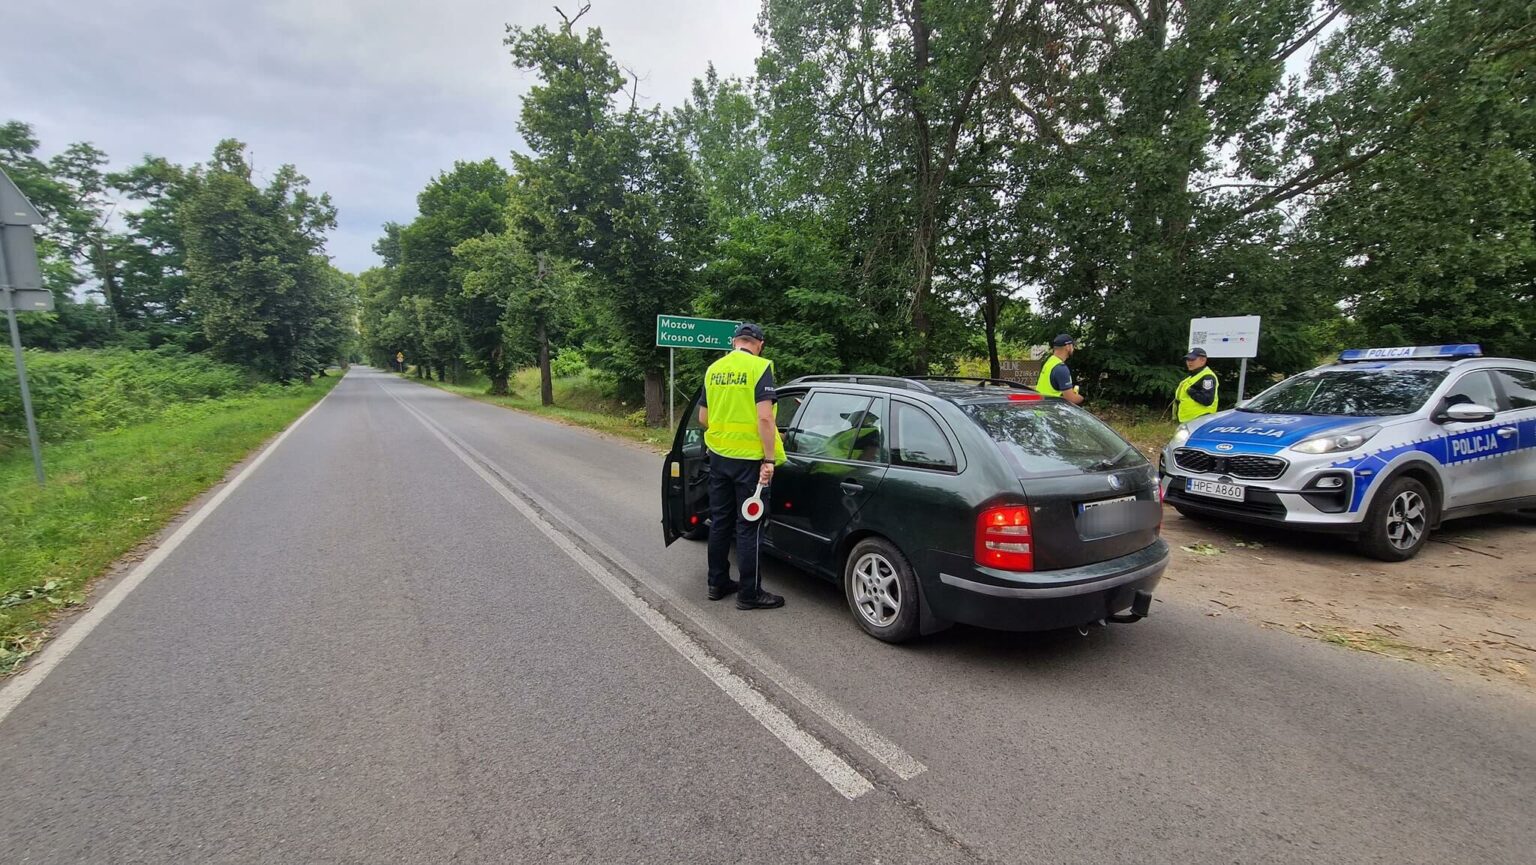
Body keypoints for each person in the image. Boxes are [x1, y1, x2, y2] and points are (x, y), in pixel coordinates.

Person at [699, 322, 787, 610]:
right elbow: (765, 418)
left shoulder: (714, 369)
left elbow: (703, 418)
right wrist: (770, 458)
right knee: (749, 527)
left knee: (720, 522)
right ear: (759, 344)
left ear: (734, 342)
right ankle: (749, 593)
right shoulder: (759, 368)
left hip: (719, 458)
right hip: (749, 462)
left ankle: (717, 583)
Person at [1036, 333, 1084, 405]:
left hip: (1041, 409)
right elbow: (1071, 399)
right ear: (1067, 347)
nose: (1073, 349)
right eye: (1073, 346)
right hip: (1051, 412)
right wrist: (1082, 398)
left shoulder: (1050, 361)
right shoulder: (1060, 368)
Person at [1174, 347, 1219, 422]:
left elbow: (1207, 400)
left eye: (1192, 359)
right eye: (1187, 360)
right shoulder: (1193, 376)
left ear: (1203, 360)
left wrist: (1191, 391)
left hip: (1200, 419)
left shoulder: (1208, 377)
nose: (1189, 362)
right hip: (1189, 420)